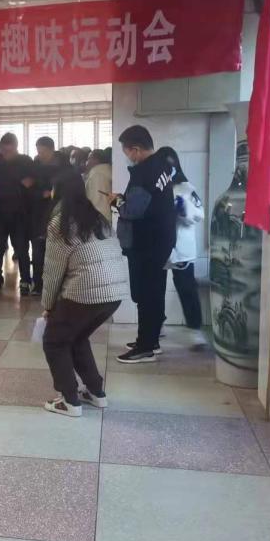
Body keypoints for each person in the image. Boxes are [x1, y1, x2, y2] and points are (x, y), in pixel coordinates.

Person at [40, 171, 129, 417]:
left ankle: (69, 400)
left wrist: (48, 306)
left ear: (58, 193)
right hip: (115, 292)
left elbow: (53, 270)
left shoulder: (60, 223)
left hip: (86, 292)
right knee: (77, 337)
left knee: (54, 341)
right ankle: (96, 392)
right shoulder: (97, 217)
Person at [111, 125, 177, 364]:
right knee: (155, 292)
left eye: (126, 151)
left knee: (145, 294)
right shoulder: (162, 165)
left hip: (145, 243)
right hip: (161, 240)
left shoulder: (143, 173)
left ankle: (145, 347)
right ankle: (151, 340)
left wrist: (116, 202)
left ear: (136, 150)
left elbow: (133, 211)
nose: (127, 156)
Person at [164, 148, 207, 350]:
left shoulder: (186, 188)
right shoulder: (152, 187)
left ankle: (195, 331)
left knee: (186, 288)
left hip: (181, 247)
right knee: (153, 290)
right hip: (158, 246)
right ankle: (154, 326)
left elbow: (199, 215)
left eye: (170, 165)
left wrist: (184, 210)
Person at [0, 132, 35, 294]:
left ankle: (26, 280)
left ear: (16, 147)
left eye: (9, 150)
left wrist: (28, 182)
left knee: (21, 248)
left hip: (19, 213)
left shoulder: (26, 161)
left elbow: (32, 182)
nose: (6, 153)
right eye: (4, 150)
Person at [30, 136, 72, 296]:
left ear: (52, 150)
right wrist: (40, 194)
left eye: (43, 152)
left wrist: (56, 194)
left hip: (59, 214)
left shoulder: (66, 167)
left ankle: (59, 285)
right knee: (38, 251)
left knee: (59, 253)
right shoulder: (35, 167)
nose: (40, 155)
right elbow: (29, 190)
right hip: (38, 215)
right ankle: (38, 284)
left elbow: (73, 190)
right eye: (38, 151)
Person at [85, 146, 113, 220]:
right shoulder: (106, 170)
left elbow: (98, 202)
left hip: (100, 218)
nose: (86, 162)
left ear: (96, 160)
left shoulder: (97, 174)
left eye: (89, 158)